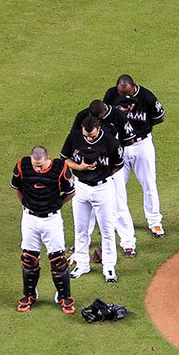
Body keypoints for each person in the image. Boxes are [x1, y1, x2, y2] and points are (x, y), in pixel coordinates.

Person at [68, 99, 139, 257]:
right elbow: (74, 140)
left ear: (103, 113)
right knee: (87, 209)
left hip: (112, 169)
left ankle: (128, 243)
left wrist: (109, 164)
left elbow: (129, 140)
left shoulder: (117, 116)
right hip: (87, 173)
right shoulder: (82, 117)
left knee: (119, 203)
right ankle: (81, 243)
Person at [10, 146, 76, 313]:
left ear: (46, 159)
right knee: (29, 259)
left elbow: (70, 192)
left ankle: (64, 298)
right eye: (35, 165)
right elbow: (16, 187)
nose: (37, 168)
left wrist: (58, 204)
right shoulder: (22, 165)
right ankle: (29, 295)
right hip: (30, 218)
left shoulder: (60, 169)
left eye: (40, 165)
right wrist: (25, 203)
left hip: (51, 219)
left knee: (58, 260)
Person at [61, 116, 125, 283]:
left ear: (98, 128)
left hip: (102, 188)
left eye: (92, 136)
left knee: (107, 229)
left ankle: (109, 267)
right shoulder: (74, 137)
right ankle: (82, 264)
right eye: (86, 135)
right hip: (80, 187)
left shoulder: (110, 142)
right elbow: (64, 159)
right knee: (80, 228)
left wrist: (102, 175)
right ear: (82, 128)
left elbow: (118, 164)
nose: (89, 138)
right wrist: (79, 167)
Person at [104, 74, 165, 237]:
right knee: (116, 186)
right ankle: (117, 221)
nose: (123, 96)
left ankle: (154, 221)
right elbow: (104, 117)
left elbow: (160, 117)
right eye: (120, 92)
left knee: (149, 183)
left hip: (141, 145)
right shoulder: (111, 95)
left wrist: (143, 127)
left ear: (134, 86)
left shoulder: (147, 97)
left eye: (126, 92)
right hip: (120, 146)